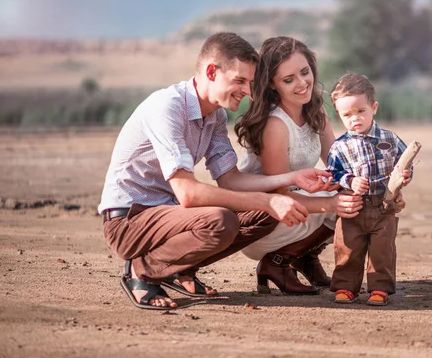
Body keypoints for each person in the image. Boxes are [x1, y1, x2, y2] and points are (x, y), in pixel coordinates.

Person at [98, 32, 334, 310]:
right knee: (221, 221)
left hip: (169, 216)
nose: (248, 91)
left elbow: (231, 180)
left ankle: (179, 269)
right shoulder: (167, 107)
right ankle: (143, 271)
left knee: (262, 214)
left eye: (250, 82)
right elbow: (187, 194)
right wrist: (270, 199)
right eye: (240, 81)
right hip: (130, 219)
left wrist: (290, 179)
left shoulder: (216, 116)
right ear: (212, 71)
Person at [235, 37, 375, 295]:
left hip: (299, 209)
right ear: (273, 86)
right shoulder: (275, 126)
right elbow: (279, 197)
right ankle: (276, 262)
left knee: (357, 194)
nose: (302, 84)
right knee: (341, 201)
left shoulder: (316, 111)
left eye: (304, 72)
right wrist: (332, 204)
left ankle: (304, 257)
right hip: (264, 221)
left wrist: (382, 186)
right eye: (288, 80)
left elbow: (340, 165)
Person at [326, 72, 412, 306]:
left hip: (384, 205)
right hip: (354, 208)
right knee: (347, 248)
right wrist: (350, 181)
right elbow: (332, 173)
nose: (355, 118)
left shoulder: (389, 138)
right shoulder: (340, 146)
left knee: (382, 251)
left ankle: (379, 288)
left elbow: (404, 162)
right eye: (347, 115)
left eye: (360, 111)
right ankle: (346, 287)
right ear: (340, 116)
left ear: (373, 107)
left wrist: (405, 176)